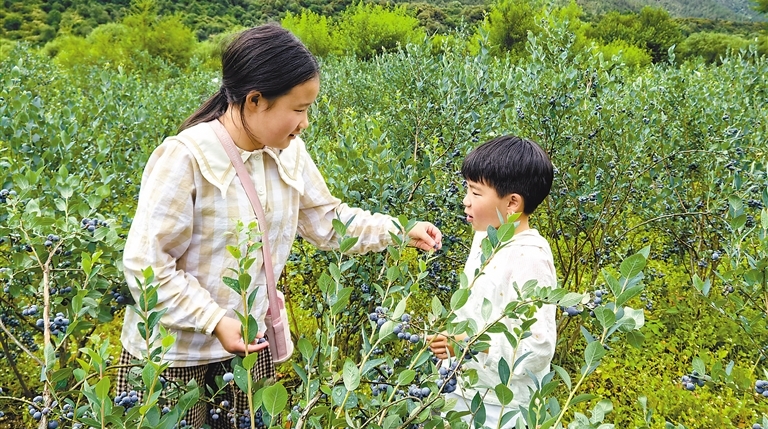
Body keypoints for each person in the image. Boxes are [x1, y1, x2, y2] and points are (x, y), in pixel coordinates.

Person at [116, 23, 442, 428]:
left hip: (251, 348)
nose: (305, 123)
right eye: (299, 109)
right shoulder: (186, 158)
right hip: (173, 357)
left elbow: (327, 220)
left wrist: (398, 230)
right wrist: (215, 320)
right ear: (255, 101)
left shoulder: (289, 153)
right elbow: (146, 266)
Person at [426, 135, 556, 429]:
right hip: (460, 388)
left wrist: (469, 345)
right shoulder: (485, 237)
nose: (465, 201)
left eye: (475, 192)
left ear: (512, 203)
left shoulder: (530, 258)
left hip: (503, 407)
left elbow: (538, 347)